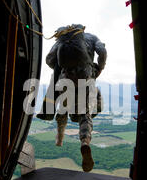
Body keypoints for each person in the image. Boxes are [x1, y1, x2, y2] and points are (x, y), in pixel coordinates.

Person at [45, 24, 107, 172]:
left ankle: (60, 136)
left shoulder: (62, 41)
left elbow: (49, 60)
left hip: (66, 80)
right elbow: (102, 50)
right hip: (87, 79)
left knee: (63, 107)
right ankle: (85, 142)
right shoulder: (91, 38)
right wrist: (100, 67)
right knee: (86, 113)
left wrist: (61, 68)